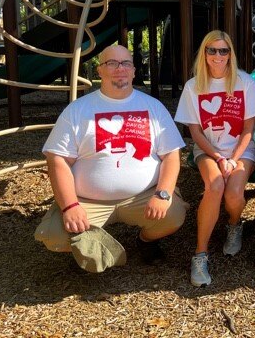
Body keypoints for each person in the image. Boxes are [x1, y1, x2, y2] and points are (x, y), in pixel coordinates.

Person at [34, 45, 188, 273]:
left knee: (173, 215)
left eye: (126, 63)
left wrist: (163, 194)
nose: (120, 69)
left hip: (142, 196)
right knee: (55, 236)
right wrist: (70, 206)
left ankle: (145, 241)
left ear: (134, 71)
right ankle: (94, 243)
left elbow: (172, 155)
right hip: (88, 200)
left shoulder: (153, 107)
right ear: (100, 70)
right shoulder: (78, 110)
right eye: (112, 63)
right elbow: (58, 161)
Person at [175, 30, 255, 287]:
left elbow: (249, 129)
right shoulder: (194, 86)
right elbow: (195, 132)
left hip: (241, 149)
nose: (217, 55)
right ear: (204, 53)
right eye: (212, 50)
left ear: (230, 55)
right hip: (207, 150)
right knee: (214, 186)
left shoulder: (244, 82)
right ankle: (200, 254)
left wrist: (234, 159)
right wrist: (217, 157)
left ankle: (234, 225)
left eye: (223, 51)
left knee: (234, 193)